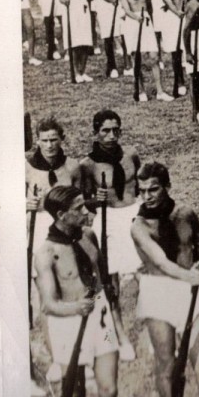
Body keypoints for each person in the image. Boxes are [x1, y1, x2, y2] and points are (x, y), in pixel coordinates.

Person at [33, 185, 134, 397]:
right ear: (62, 215)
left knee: (109, 390)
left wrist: (106, 303)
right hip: (68, 322)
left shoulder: (88, 236)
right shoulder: (46, 253)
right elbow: (49, 305)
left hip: (98, 319)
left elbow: (103, 279)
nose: (86, 212)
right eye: (78, 208)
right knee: (74, 396)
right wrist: (77, 307)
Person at [130, 161, 199, 397]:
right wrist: (188, 276)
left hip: (191, 293)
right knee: (167, 363)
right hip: (158, 294)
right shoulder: (138, 226)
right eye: (141, 191)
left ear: (166, 186)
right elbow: (159, 261)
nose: (147, 196)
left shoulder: (186, 213)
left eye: (153, 189)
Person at [82, 108, 139, 359]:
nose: (111, 135)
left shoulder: (131, 155)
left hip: (134, 216)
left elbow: (141, 186)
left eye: (116, 130)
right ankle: (119, 336)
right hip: (109, 222)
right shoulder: (87, 165)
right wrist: (96, 199)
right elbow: (85, 202)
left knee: (146, 275)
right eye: (105, 130)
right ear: (95, 133)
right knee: (110, 284)